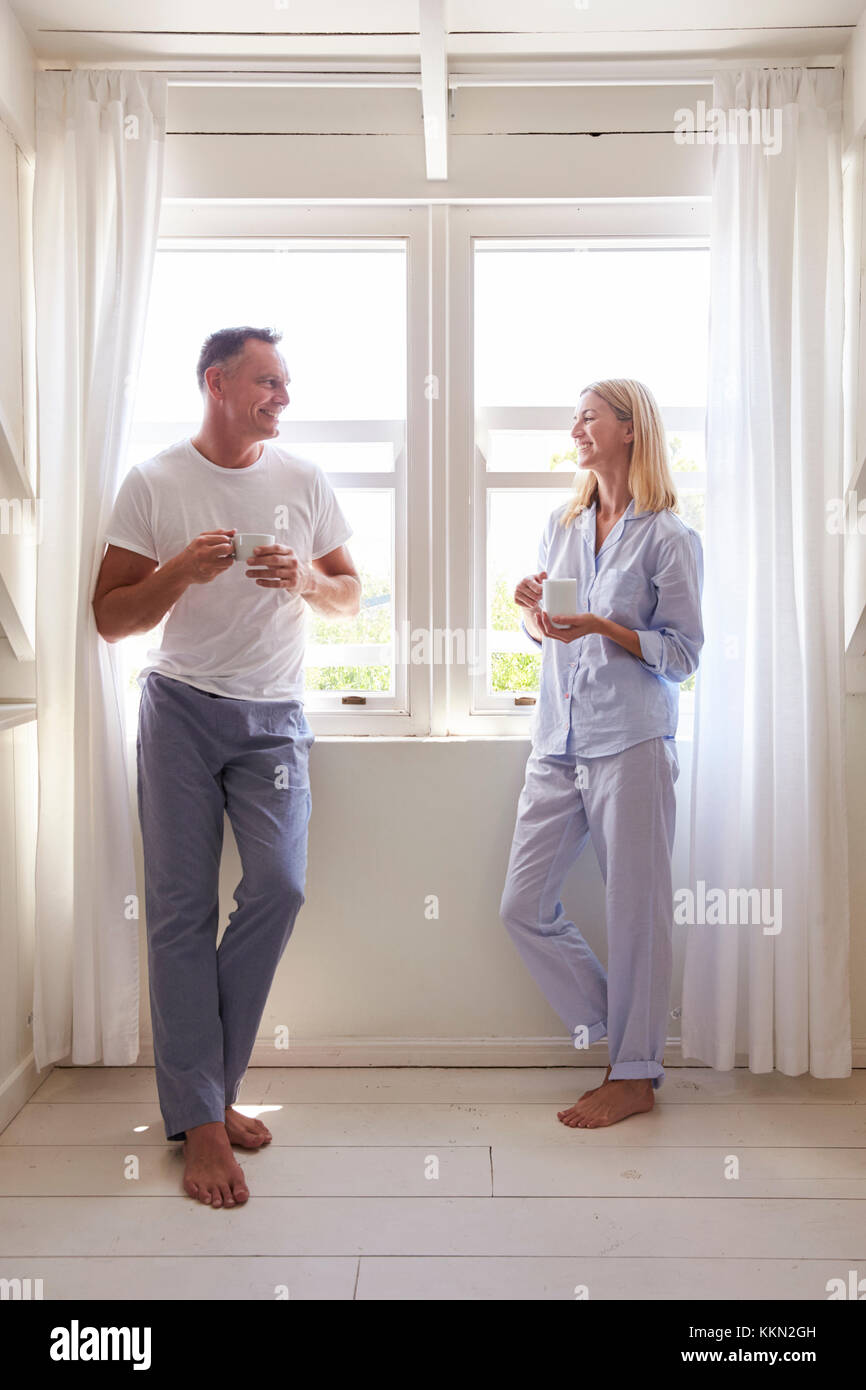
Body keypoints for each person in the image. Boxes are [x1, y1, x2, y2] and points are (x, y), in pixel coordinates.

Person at [93, 326, 360, 1207]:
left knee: (279, 886)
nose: (282, 397)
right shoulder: (155, 481)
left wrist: (306, 585)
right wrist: (178, 569)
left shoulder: (303, 480)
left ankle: (203, 1090)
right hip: (178, 713)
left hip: (273, 720)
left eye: (285, 383)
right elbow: (111, 619)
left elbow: (351, 593)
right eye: (268, 382)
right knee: (178, 910)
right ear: (217, 382)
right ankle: (204, 1120)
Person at [501, 378, 704, 1128]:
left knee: (636, 913)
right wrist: (531, 613)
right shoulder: (563, 524)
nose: (576, 427)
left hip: (633, 741)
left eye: (588, 416)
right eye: (575, 417)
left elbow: (684, 655)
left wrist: (605, 627)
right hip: (559, 740)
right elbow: (547, 633)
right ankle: (622, 1048)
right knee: (523, 906)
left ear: (628, 429)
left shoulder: (670, 537)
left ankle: (635, 1074)